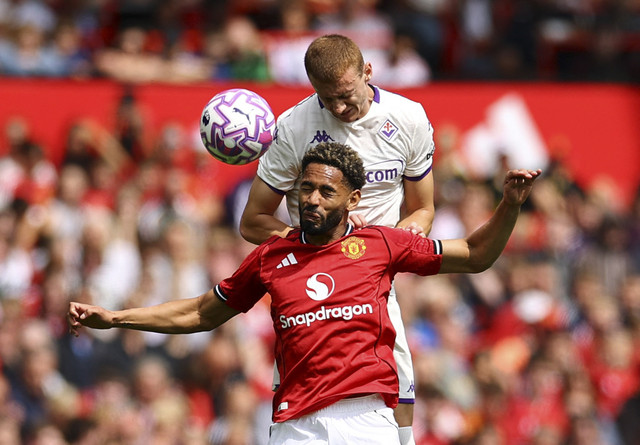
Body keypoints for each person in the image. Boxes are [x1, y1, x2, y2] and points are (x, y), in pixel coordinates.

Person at [69, 142, 541, 445]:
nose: (311, 200)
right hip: (296, 424)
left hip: (366, 419)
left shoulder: (381, 244)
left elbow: (477, 255)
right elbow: (201, 313)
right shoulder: (271, 256)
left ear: (352, 200)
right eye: (305, 189)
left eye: (325, 192)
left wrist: (509, 205)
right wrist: (115, 318)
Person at [239, 33, 436, 444]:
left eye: (347, 95)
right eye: (329, 100)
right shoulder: (294, 127)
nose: (340, 107)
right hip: (309, 288)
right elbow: (253, 221)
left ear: (368, 71)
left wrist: (383, 244)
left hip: (373, 282)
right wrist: (323, 241)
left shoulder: (409, 117)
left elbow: (424, 209)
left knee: (400, 415)